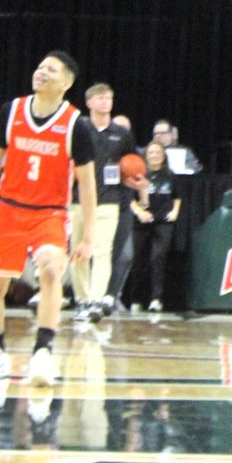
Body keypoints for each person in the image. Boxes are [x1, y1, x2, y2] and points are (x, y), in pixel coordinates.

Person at [0, 53, 98, 388]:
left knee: (52, 269)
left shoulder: (75, 125)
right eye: (39, 67)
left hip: (49, 213)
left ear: (66, 83)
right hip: (8, 209)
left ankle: (43, 352)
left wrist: (88, 235)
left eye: (50, 70)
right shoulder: (11, 111)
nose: (41, 72)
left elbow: (88, 182)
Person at [70, 83, 136, 323]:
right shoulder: (79, 128)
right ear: (89, 103)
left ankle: (97, 300)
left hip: (109, 200)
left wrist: (134, 179)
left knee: (103, 251)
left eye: (109, 97)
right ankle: (82, 299)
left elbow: (131, 164)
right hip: (78, 201)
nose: (105, 101)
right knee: (79, 251)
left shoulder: (122, 133)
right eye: (100, 97)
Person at [130, 141, 179, 312]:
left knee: (158, 258)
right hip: (142, 222)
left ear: (163, 155)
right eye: (151, 152)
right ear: (146, 155)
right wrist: (139, 212)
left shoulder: (170, 175)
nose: (154, 155)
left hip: (163, 222)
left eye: (157, 152)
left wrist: (175, 212)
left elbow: (177, 196)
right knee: (137, 260)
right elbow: (130, 199)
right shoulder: (139, 174)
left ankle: (156, 299)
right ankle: (136, 299)